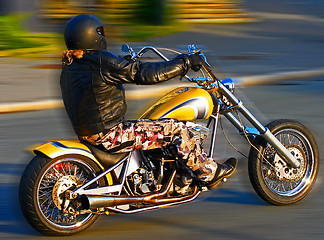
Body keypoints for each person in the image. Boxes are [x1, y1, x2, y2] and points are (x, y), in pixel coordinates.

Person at [60, 14, 237, 189]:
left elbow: (103, 79)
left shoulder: (71, 64)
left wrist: (123, 64)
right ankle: (208, 173)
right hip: (111, 134)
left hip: (90, 133)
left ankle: (177, 171)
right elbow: (144, 74)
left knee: (153, 123)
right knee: (177, 129)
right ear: (92, 35)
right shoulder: (100, 60)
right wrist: (184, 62)